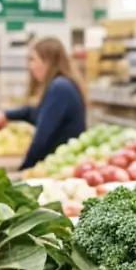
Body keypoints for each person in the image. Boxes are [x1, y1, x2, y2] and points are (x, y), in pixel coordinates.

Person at [7, 36, 86, 170]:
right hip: (62, 164)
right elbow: (37, 113)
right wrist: (5, 115)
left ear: (47, 61)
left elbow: (42, 138)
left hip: (60, 166)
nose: (30, 66)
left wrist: (24, 169)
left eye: (33, 59)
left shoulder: (59, 87)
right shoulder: (62, 84)